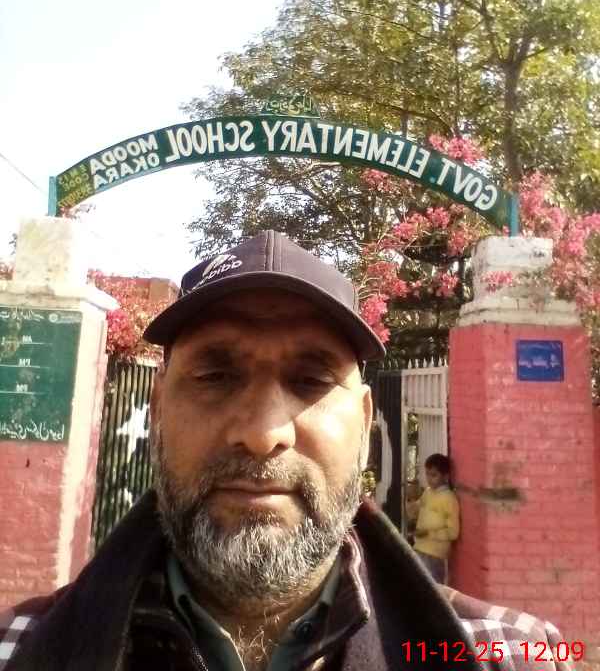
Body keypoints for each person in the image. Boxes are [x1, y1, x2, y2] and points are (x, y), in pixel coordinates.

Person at [0, 231, 572, 671]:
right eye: (215, 375)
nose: (263, 433)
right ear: (158, 412)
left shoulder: (512, 656)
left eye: (311, 380)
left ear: (365, 425)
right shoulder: (15, 650)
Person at [411, 453, 460, 584]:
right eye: (427, 474)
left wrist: (429, 534)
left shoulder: (449, 499)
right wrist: (411, 505)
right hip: (419, 547)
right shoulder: (427, 492)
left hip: (435, 554)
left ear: (445, 476)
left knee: (433, 588)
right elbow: (417, 510)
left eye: (434, 475)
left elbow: (453, 532)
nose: (429, 479)